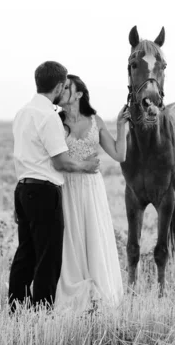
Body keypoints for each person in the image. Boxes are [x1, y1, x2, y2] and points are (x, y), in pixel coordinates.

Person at [9, 61, 100, 313]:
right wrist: (86, 165)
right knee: (49, 257)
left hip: (23, 188)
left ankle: (16, 308)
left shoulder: (23, 112)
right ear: (59, 86)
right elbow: (61, 161)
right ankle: (42, 312)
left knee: (25, 254)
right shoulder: (48, 116)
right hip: (45, 191)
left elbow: (22, 155)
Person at [54, 74, 130, 312]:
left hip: (91, 188)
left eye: (67, 87)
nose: (62, 89)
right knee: (70, 238)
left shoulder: (95, 120)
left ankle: (99, 294)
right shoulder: (55, 121)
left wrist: (120, 127)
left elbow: (120, 155)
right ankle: (71, 292)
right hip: (66, 186)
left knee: (94, 235)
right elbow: (55, 160)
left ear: (79, 94)